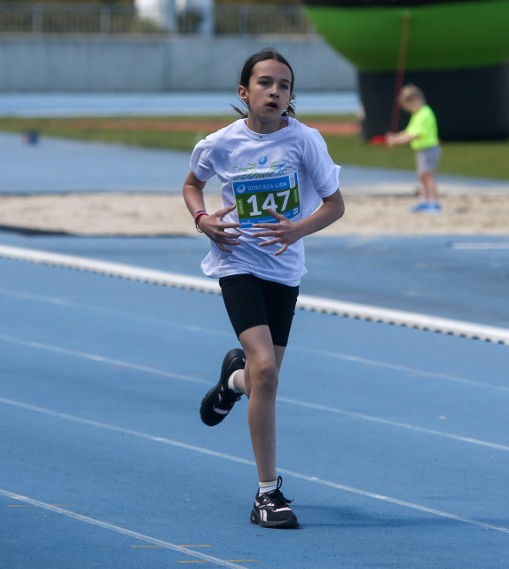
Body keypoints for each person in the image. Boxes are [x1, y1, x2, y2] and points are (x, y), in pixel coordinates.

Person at [182, 48, 345, 529]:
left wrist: (298, 229)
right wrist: (203, 219)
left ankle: (232, 382)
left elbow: (335, 205)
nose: (275, 92)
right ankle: (267, 494)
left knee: (260, 379)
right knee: (269, 370)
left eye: (285, 85)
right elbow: (193, 184)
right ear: (244, 92)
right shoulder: (222, 143)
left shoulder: (305, 141)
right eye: (266, 83)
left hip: (283, 269)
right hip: (237, 262)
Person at [385, 84, 442, 213]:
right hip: (422, 150)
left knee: (427, 176)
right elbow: (408, 131)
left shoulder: (425, 114)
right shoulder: (417, 114)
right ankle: (424, 201)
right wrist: (395, 137)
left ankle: (434, 202)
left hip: (429, 149)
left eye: (408, 106)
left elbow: (414, 135)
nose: (409, 110)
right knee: (422, 176)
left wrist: (396, 140)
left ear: (416, 100)